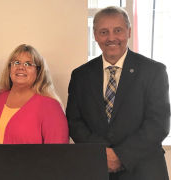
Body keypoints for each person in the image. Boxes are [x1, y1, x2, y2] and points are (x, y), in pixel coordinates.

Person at [66, 6, 170, 180]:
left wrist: (121, 155)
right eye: (104, 32)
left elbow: (159, 123)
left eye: (118, 30)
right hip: (97, 169)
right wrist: (103, 154)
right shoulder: (80, 75)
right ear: (95, 35)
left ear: (129, 32)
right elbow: (74, 121)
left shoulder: (154, 71)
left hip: (143, 170)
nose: (111, 38)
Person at [0, 44, 69, 144]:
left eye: (28, 64)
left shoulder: (50, 106)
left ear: (38, 71)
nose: (21, 67)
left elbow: (57, 153)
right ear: (10, 68)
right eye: (16, 62)